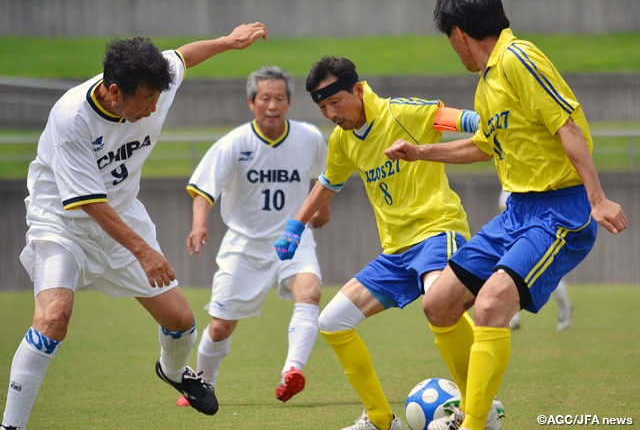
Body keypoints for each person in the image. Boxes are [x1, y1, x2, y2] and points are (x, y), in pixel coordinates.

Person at [384, 0, 627, 430]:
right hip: (517, 212)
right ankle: (481, 409)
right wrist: (421, 152)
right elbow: (484, 146)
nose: (452, 49)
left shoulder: (519, 58)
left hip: (561, 210)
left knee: (491, 304)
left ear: (458, 34)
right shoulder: (487, 82)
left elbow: (567, 126)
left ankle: (473, 423)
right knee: (438, 303)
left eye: (449, 40)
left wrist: (598, 198)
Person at [1, 22, 268, 430]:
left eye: (158, 96)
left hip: (124, 217)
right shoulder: (71, 118)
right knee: (54, 317)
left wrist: (228, 43)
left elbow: (184, 56)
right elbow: (88, 202)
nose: (153, 107)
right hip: (61, 222)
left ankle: (174, 372)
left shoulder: (153, 77)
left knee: (180, 322)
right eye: (146, 99)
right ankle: (11, 426)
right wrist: (143, 252)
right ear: (113, 92)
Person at [273, 56, 505, 430]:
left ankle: (481, 408)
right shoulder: (342, 140)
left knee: (438, 304)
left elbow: (465, 120)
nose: (331, 114)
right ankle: (382, 421)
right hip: (395, 252)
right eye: (322, 108)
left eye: (335, 103)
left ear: (359, 90)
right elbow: (330, 181)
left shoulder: (404, 113)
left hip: (437, 231)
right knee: (332, 322)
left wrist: (489, 123)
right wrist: (296, 225)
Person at [178, 65, 330, 407]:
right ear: (252, 103)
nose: (272, 105)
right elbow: (204, 189)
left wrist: (322, 210)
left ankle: (292, 371)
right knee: (220, 326)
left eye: (279, 98)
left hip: (293, 239)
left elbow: (325, 178)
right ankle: (202, 384)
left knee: (311, 292)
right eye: (265, 98)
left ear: (289, 103)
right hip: (244, 246)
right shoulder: (235, 143)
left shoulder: (309, 138)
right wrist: (199, 224)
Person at [499, 190, 573, 331]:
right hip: (516, 234)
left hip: (539, 232)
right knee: (508, 273)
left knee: (546, 275)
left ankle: (565, 308)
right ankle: (513, 318)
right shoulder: (508, 184)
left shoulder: (536, 180)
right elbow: (506, 212)